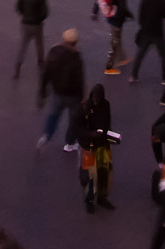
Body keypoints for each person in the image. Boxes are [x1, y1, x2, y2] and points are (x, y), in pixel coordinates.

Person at [37, 29, 84, 151]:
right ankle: (70, 144)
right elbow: (79, 80)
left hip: (57, 93)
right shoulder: (76, 57)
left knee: (53, 115)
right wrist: (82, 96)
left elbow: (45, 73)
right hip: (73, 96)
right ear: (75, 42)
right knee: (73, 120)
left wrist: (43, 90)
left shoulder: (53, 52)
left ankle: (46, 136)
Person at [76, 83, 115, 211]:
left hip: (103, 145)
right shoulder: (84, 108)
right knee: (91, 175)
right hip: (89, 148)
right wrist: (91, 134)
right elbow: (78, 129)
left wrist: (110, 136)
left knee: (105, 173)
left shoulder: (106, 105)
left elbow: (108, 123)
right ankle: (90, 201)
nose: (96, 101)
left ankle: (102, 197)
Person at [130, 0, 165, 85]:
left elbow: (140, 16)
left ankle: (133, 76)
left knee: (140, 54)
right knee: (164, 56)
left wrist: (143, 27)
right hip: (158, 34)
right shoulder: (162, 1)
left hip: (145, 32)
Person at [13, 0, 48, 78]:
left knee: (23, 45)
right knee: (39, 44)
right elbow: (45, 13)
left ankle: (18, 67)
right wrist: (39, 19)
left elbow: (18, 8)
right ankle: (40, 63)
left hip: (25, 24)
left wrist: (25, 15)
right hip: (37, 25)